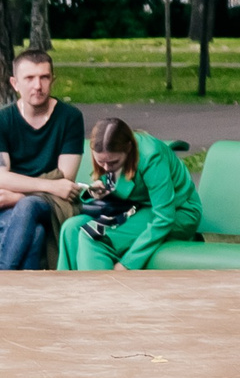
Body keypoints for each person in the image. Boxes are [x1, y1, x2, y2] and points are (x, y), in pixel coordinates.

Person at [59, 117, 201, 270]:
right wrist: (97, 192)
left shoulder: (151, 157)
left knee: (94, 235)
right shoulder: (110, 157)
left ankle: (101, 285)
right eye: (101, 162)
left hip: (178, 212)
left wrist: (127, 264)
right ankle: (69, 285)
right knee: (71, 229)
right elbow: (112, 185)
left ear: (128, 149)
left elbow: (165, 217)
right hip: (134, 210)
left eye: (113, 162)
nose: (106, 168)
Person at [0, 50, 85, 271]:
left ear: (52, 80)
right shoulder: (3, 119)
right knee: (35, 234)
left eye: (44, 77)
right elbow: (1, 176)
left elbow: (65, 178)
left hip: (54, 203)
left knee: (27, 205)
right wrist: (49, 186)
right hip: (18, 201)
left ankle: (4, 276)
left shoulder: (70, 117)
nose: (37, 85)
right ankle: (25, 289)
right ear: (15, 83)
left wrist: (18, 195)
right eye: (29, 78)